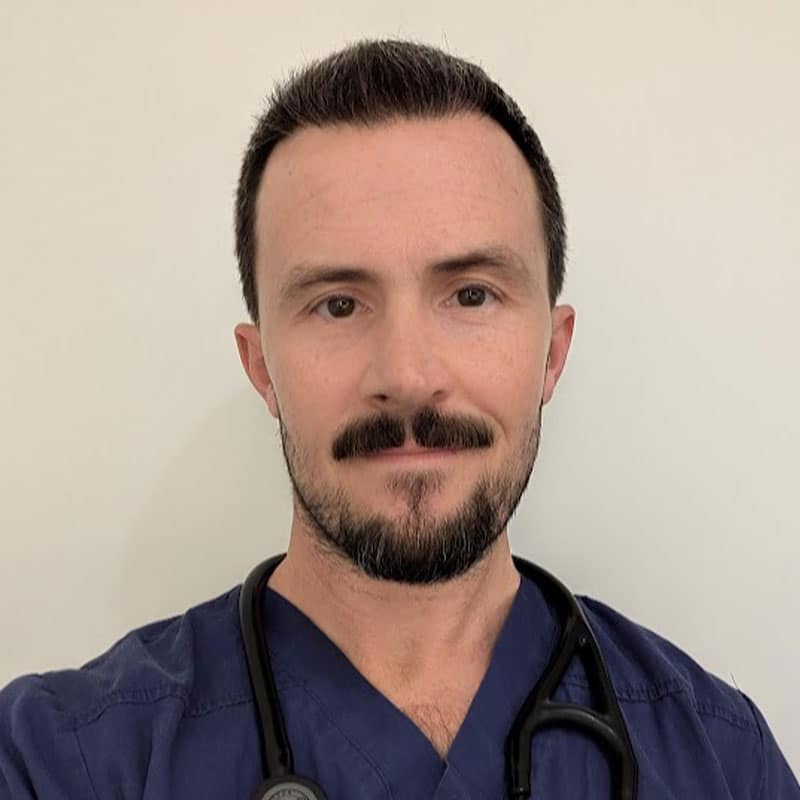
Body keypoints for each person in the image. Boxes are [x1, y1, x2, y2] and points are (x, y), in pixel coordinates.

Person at [0, 38, 797, 800]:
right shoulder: (59, 764)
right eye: (338, 304)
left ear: (552, 354)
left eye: (472, 294)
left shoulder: (722, 760)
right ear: (261, 368)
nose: (408, 376)